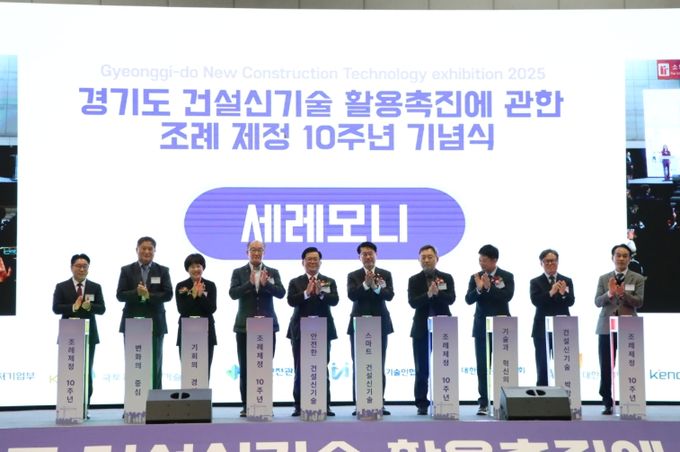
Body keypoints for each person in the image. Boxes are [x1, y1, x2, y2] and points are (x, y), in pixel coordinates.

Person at [229, 240, 286, 417]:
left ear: (264, 252)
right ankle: (247, 405)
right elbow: (233, 294)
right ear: (247, 252)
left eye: (259, 250)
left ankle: (265, 403)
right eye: (253, 250)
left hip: (267, 326)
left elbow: (281, 293)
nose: (256, 253)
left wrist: (266, 284)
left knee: (264, 366)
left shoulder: (272, 272)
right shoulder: (238, 272)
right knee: (246, 367)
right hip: (244, 327)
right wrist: (249, 283)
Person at [286, 246, 338, 417]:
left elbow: (335, 300)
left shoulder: (328, 281)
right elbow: (291, 301)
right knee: (300, 368)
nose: (313, 262)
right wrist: (306, 293)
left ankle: (325, 404)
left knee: (322, 367)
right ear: (303, 262)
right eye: (309, 259)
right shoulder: (295, 282)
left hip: (323, 329)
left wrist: (321, 293)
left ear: (320, 262)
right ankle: (299, 405)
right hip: (300, 330)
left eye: (316, 259)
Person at [594, 244, 644, 415]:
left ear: (629, 259)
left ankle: (630, 400)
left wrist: (623, 294)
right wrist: (609, 293)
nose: (621, 258)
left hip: (629, 328)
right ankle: (607, 401)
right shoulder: (603, 278)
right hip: (606, 327)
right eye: (618, 255)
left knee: (629, 364)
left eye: (624, 256)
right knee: (606, 365)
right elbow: (597, 302)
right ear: (612, 257)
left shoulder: (637, 278)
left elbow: (639, 302)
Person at [464, 244, 514, 416]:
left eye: (484, 260)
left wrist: (490, 287)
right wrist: (479, 288)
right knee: (482, 366)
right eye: (480, 260)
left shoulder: (507, 276)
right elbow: (468, 299)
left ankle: (504, 402)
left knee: (503, 365)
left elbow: (507, 296)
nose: (481, 263)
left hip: (502, 327)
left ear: (494, 260)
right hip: (481, 326)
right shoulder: (475, 277)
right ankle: (484, 402)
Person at [116, 236, 173, 390]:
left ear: (155, 251)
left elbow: (168, 294)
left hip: (156, 323)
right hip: (133, 322)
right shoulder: (126, 270)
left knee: (155, 363)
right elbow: (120, 295)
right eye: (143, 248)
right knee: (134, 363)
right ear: (137, 250)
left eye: (150, 249)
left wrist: (149, 296)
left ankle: (156, 401)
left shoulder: (163, 270)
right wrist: (137, 292)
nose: (147, 251)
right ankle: (134, 401)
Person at [347, 241, 394, 415]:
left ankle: (379, 402)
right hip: (359, 324)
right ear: (359, 257)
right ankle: (359, 403)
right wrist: (366, 285)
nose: (368, 257)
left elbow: (389, 295)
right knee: (359, 365)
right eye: (364, 254)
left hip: (380, 324)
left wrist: (375, 287)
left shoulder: (385, 274)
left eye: (370, 254)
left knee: (379, 364)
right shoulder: (353, 275)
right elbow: (352, 295)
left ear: (376, 255)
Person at [407, 244, 455, 415]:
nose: (426, 260)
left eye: (430, 257)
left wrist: (437, 293)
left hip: (444, 328)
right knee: (421, 368)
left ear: (437, 258)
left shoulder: (446, 277)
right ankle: (421, 403)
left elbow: (451, 299)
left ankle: (445, 399)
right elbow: (413, 302)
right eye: (423, 258)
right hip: (421, 328)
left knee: (444, 365)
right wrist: (428, 294)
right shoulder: (414, 280)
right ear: (419, 260)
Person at [52, 253, 105, 407]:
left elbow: (102, 309)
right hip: (68, 335)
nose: (82, 269)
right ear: (71, 267)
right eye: (78, 266)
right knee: (69, 369)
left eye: (85, 266)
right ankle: (68, 405)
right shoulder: (62, 286)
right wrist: (73, 307)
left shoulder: (95, 287)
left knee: (86, 370)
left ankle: (84, 406)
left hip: (89, 335)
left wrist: (90, 307)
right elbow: (56, 308)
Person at [529, 249, 575, 387]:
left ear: (558, 262)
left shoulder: (566, 280)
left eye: (553, 261)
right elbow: (536, 301)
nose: (550, 263)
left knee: (563, 362)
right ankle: (542, 393)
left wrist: (563, 293)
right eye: (547, 261)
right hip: (541, 328)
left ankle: (564, 392)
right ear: (541, 263)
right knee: (542, 363)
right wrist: (551, 292)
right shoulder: (535, 282)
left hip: (563, 328)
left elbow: (571, 302)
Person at [175, 253, 217, 377]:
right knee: (189, 371)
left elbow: (211, 309)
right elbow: (182, 310)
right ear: (187, 269)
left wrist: (201, 295)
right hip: (187, 331)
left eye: (198, 266)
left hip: (206, 331)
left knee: (204, 371)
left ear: (203, 267)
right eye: (192, 267)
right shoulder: (181, 286)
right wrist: (193, 295)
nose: (196, 269)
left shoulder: (210, 285)